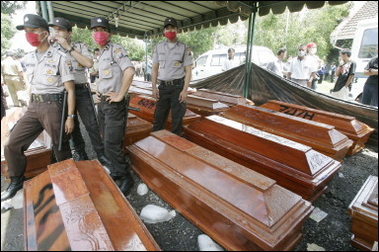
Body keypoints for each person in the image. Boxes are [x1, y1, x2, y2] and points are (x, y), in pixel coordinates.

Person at [1, 14, 76, 201]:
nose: (29, 35)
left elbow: (71, 90)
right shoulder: (29, 58)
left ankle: (69, 183)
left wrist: (70, 116)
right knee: (12, 144)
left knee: (60, 146)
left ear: (44, 33)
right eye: (27, 32)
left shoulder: (61, 57)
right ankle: (17, 180)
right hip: (34, 106)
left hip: (53, 105)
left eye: (33, 31)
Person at [49, 17, 112, 167]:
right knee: (72, 126)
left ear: (69, 33)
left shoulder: (79, 46)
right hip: (63, 92)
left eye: (60, 30)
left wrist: (69, 48)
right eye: (54, 30)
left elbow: (89, 64)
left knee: (91, 124)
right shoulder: (52, 49)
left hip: (81, 90)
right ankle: (81, 153)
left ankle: (100, 154)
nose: (56, 33)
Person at [90, 16, 135, 195]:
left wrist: (120, 95)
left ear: (109, 33)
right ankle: (116, 170)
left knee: (111, 143)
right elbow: (104, 77)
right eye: (95, 30)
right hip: (103, 104)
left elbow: (129, 71)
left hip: (114, 105)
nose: (98, 33)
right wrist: (98, 92)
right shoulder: (100, 54)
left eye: (102, 29)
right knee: (106, 140)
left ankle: (126, 176)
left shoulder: (116, 49)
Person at [151, 17, 193, 136]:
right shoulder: (158, 47)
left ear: (177, 30)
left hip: (177, 88)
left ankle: (174, 147)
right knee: (158, 118)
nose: (170, 30)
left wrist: (185, 91)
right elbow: (154, 69)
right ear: (164, 31)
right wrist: (154, 87)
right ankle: (155, 144)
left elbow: (188, 71)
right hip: (163, 88)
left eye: (172, 28)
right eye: (167, 28)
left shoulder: (184, 48)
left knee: (177, 120)